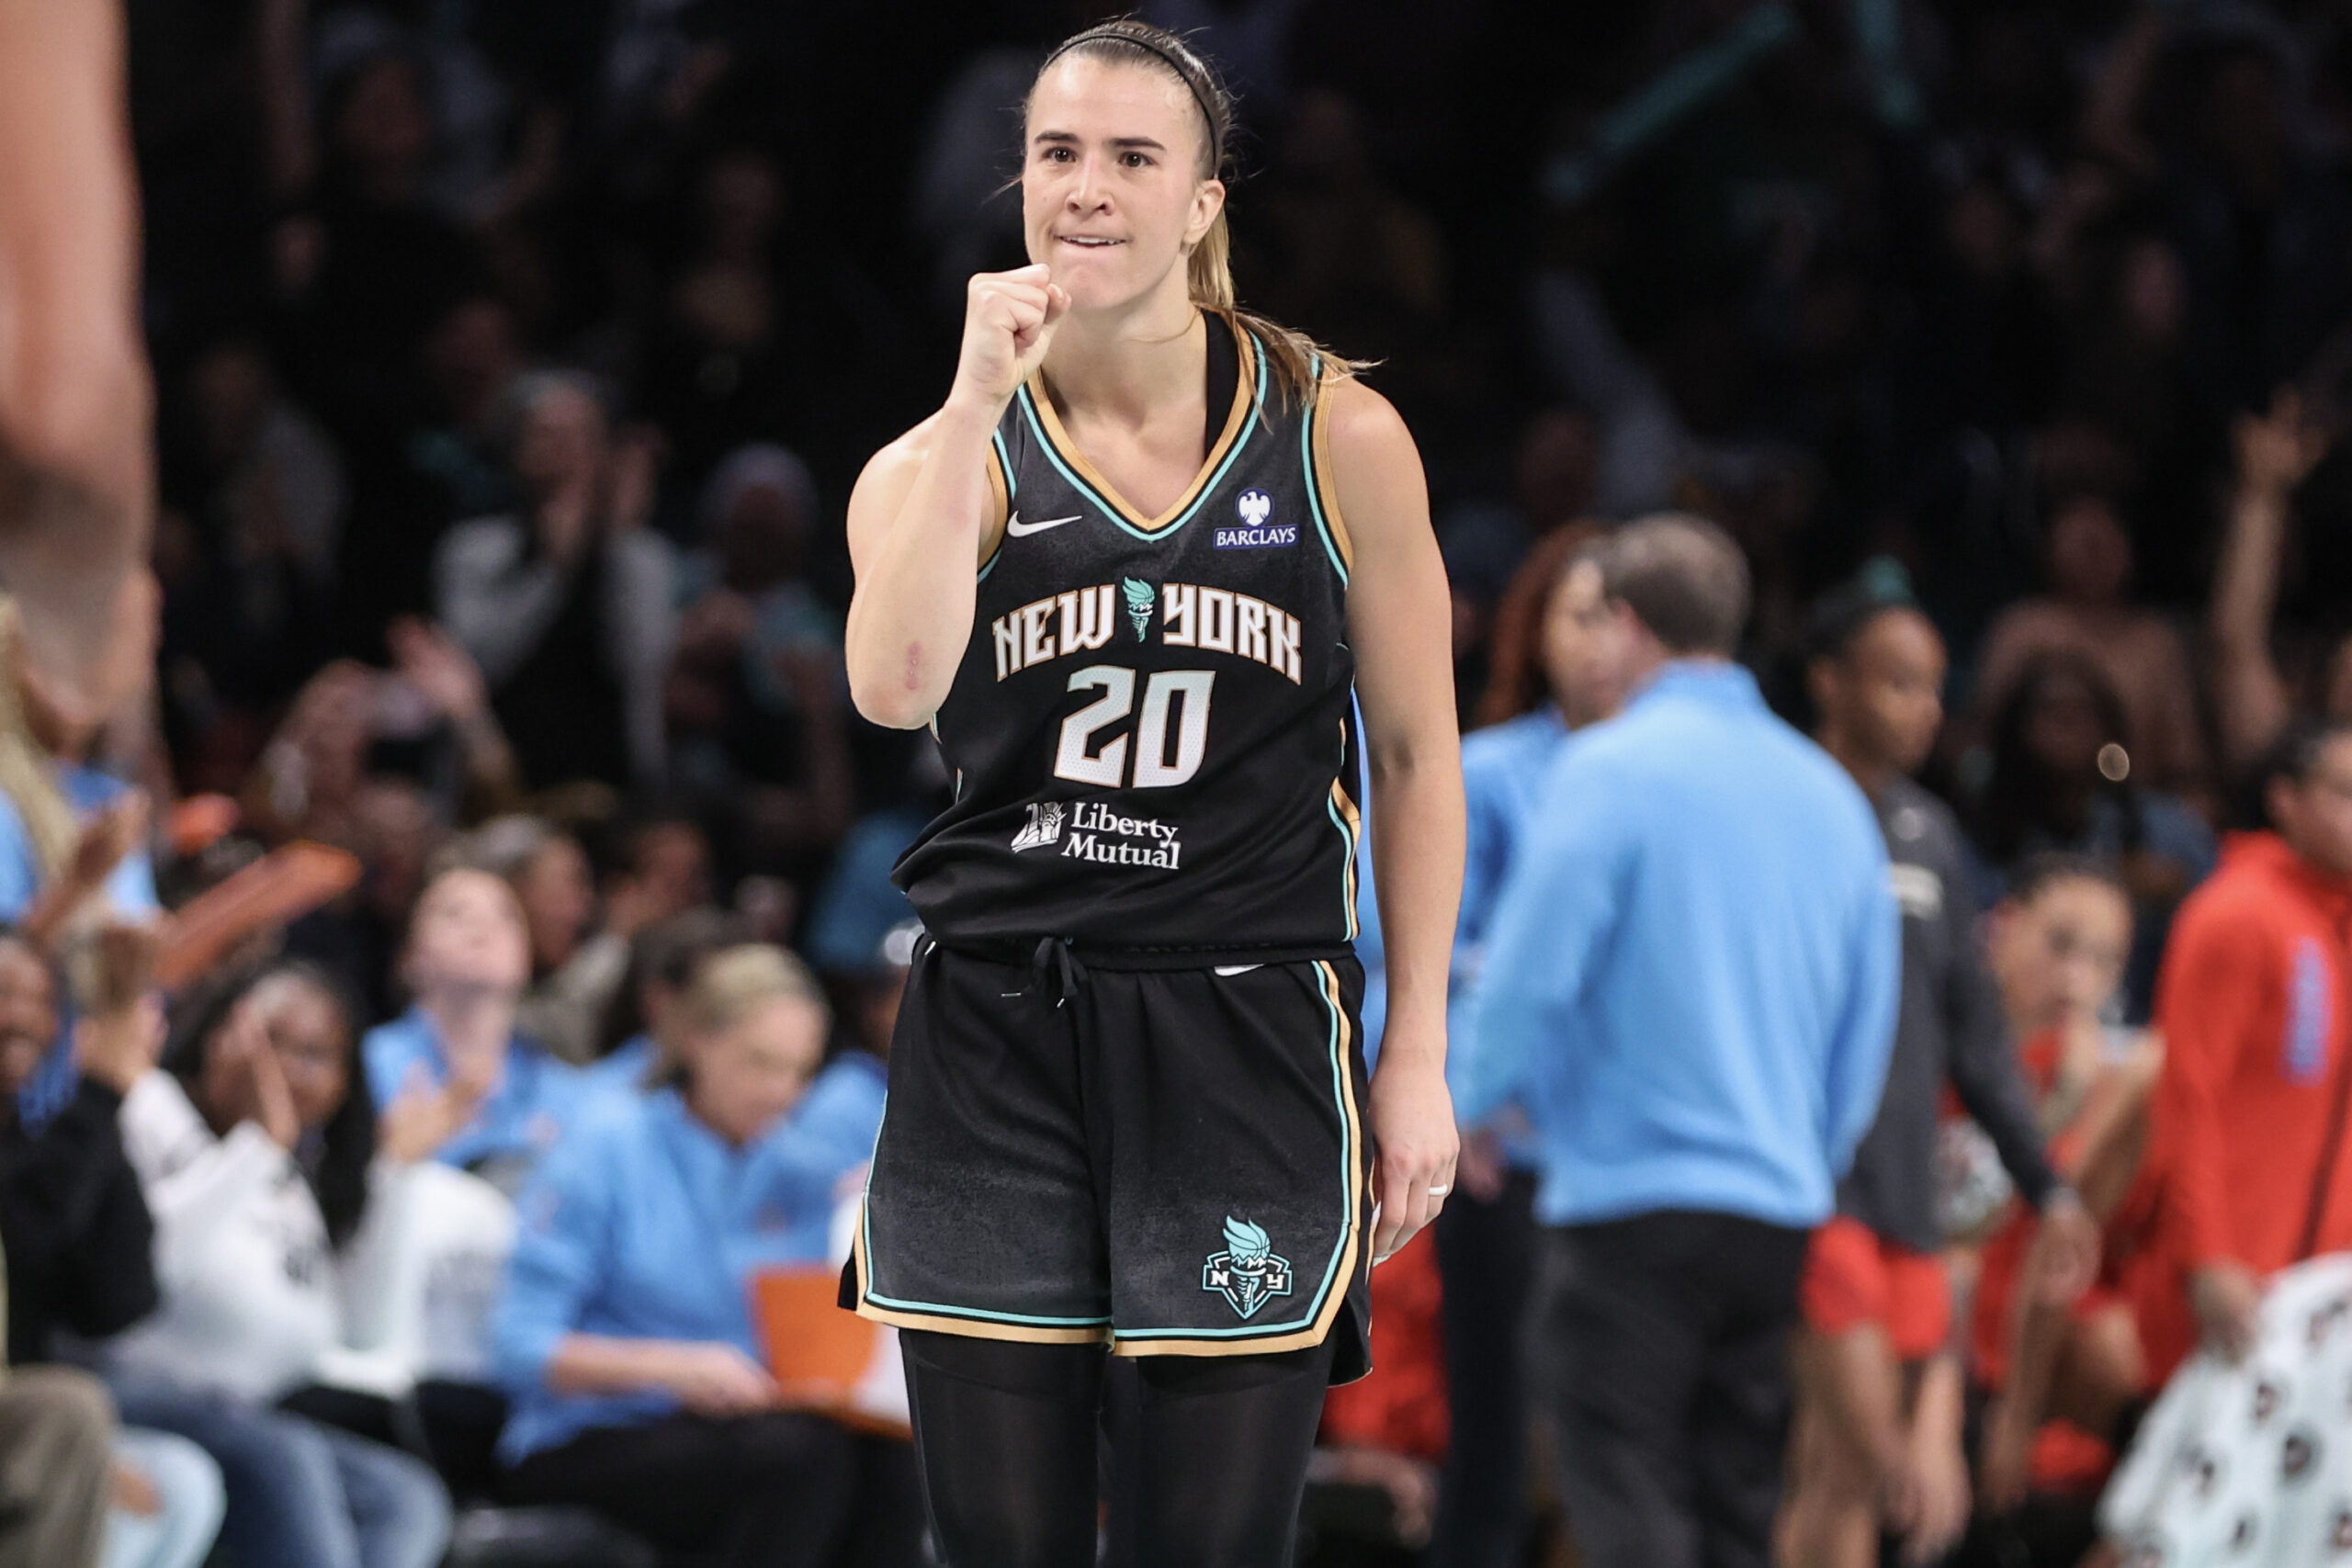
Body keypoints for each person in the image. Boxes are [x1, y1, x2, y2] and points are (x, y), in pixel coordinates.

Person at [837, 20, 1463, 1565]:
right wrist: (977, 402)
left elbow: (1416, 754)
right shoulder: (938, 460)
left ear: (1201, 202)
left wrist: (1419, 1052)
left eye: (1134, 159)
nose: (1090, 191)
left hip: (1245, 1021)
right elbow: (893, 687)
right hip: (998, 1026)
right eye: (1060, 154)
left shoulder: (1337, 432)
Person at [1460, 514, 1900, 1568]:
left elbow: (1532, 973)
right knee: (1734, 1505)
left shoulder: (1608, 770)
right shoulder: (1830, 795)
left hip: (1627, 1202)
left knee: (1624, 1488)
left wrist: (1469, 1100)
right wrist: (1810, 1158)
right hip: (1773, 1209)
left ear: (1623, 623)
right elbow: (1865, 1022)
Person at [1778, 579, 2100, 1568]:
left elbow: (1974, 1034)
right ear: (1829, 683)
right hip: (1807, 1185)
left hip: (1904, 1197)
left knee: (1841, 1472)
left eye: (1930, 687)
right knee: (1864, 1452)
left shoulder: (1929, 834)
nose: (1923, 708)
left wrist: (2047, 1186)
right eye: (1896, 683)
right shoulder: (1778, 809)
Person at [492, 945, 912, 1567]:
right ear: (697, 1041)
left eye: (799, 1071)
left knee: (894, 1465)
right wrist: (673, 1367)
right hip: (594, 1427)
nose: (780, 1091)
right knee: (800, 1457)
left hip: (749, 1426)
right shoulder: (608, 1147)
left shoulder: (800, 1168)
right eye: (760, 1063)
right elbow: (520, 1346)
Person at [106, 958, 455, 1568]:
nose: (287, 1069)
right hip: (129, 1384)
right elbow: (144, 1272)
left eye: (315, 1056)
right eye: (270, 1041)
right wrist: (256, 1147)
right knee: (285, 1457)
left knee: (405, 1498)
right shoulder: (149, 1109)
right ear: (219, 1034)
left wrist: (396, 1175)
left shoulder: (289, 1178)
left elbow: (362, 1334)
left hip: (249, 1412)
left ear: (344, 1084)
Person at [1434, 527, 1627, 1568]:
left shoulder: (1680, 783)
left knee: (1631, 1453)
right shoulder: (1491, 772)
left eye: (1622, 616)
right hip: (1506, 1153)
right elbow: (1417, 955)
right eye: (1581, 613)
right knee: (1498, 1445)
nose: (1604, 641)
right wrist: (1454, 1096)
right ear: (1535, 629)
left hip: (1642, 1162)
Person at [2132, 718, 2352, 1384]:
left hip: (2321, 1295)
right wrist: (2206, 1256)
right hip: (2233, 1283)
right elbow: (2186, 1092)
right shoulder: (2236, 913)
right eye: (2345, 792)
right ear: (2286, 799)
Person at [0, 926, 225, 1568]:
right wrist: (99, 1094)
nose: (18, 1014)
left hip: (28, 1420)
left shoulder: (43, 1138)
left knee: (180, 1481)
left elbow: (117, 1299)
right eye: (2, 992)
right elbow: (24, 1232)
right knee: (72, 1417)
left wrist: (110, 1095)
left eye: (37, 998)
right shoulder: (48, 1151)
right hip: (34, 1418)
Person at [1967, 857, 2155, 1513]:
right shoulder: (1933, 1056)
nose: (2077, 978)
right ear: (2000, 930)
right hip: (1937, 1362)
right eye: (2061, 943)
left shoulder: (2114, 1088)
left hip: (2037, 1389)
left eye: (2105, 960)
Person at [362, 864, 588, 1192]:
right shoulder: (367, 1064)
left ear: (526, 957)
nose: (482, 927)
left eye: (505, 915)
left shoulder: (570, 1093)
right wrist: (389, 1161)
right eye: (455, 913)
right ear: (412, 958)